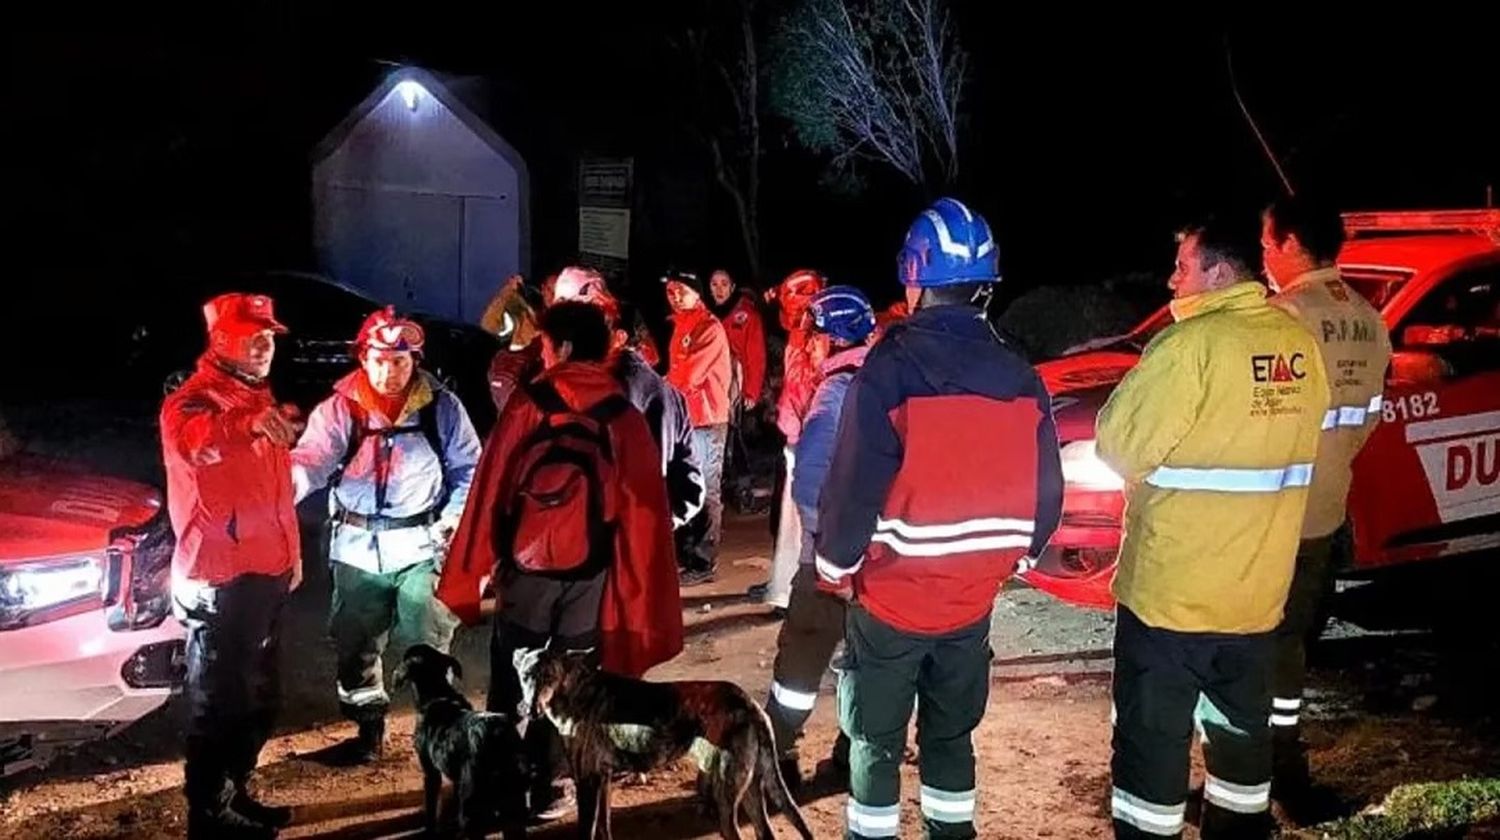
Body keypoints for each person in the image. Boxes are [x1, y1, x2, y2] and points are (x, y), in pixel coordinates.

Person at [816, 199, 1064, 840]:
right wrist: (1019, 559)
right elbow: (1046, 494)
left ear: (916, 277)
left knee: (875, 741)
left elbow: (852, 485)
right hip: (971, 605)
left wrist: (834, 565)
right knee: (952, 737)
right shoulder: (1019, 373)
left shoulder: (890, 369)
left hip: (893, 602)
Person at [1097, 217, 1330, 839]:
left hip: (1172, 598)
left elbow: (1119, 446)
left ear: (1220, 273)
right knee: (1241, 747)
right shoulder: (1299, 344)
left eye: (1183, 265)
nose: (1172, 278)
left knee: (1152, 746)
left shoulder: (1187, 347)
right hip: (1256, 599)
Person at [436, 301, 684, 820]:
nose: (541, 353)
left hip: (526, 572)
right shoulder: (623, 414)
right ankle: (551, 782)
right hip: (590, 573)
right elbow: (643, 511)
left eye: (546, 344)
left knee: (510, 675)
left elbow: (493, 484)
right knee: (570, 682)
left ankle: (494, 781)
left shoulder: (531, 403)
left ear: (565, 347)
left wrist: (479, 561)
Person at [290, 306, 481, 763]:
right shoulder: (340, 409)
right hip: (356, 549)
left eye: (400, 360)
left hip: (422, 545)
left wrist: (451, 523)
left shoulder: (443, 408)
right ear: (362, 357)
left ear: (416, 360)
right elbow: (311, 461)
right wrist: (277, 490)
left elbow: (469, 470)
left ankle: (438, 737)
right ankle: (367, 733)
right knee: (354, 643)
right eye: (379, 359)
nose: (389, 371)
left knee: (427, 647)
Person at [1261, 196, 1391, 819]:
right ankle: (1281, 765)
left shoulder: (1282, 319)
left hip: (1269, 516)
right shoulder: (1369, 318)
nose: (1262, 255)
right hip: (1325, 512)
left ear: (1291, 244)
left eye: (1266, 243)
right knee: (1294, 646)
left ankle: (1266, 775)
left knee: (1256, 651)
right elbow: (1365, 422)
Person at [160, 293, 303, 839]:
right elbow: (198, 443)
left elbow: (276, 495)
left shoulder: (258, 399)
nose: (266, 345)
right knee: (218, 705)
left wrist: (292, 558)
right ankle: (209, 814)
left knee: (261, 702)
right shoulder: (192, 403)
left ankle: (233, 793)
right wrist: (249, 421)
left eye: (269, 335)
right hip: (219, 580)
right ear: (221, 342)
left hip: (265, 574)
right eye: (254, 335)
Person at [763, 285, 877, 787]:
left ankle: (775, 760)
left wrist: (824, 553)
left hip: (831, 559)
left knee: (801, 664)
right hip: (879, 561)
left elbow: (811, 483)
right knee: (867, 665)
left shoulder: (835, 393)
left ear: (827, 340)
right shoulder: (885, 382)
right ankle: (854, 759)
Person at [750, 268, 828, 610]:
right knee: (790, 517)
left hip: (814, 436)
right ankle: (785, 585)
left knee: (806, 517)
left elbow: (815, 385)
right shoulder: (800, 334)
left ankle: (802, 590)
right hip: (798, 434)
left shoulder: (820, 337)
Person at [663, 270, 734, 585]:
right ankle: (688, 558)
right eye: (671, 291)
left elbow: (688, 376)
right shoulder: (680, 324)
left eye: (681, 290)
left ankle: (704, 562)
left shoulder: (709, 327)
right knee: (685, 484)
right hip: (686, 418)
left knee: (706, 489)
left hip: (706, 419)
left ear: (697, 292)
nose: (675, 296)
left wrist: (657, 388)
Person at [708, 268, 768, 412]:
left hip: (736, 386)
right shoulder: (706, 316)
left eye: (724, 284)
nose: (719, 289)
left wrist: (751, 392)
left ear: (732, 287)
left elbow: (756, 356)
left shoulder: (749, 316)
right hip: (710, 388)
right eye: (714, 284)